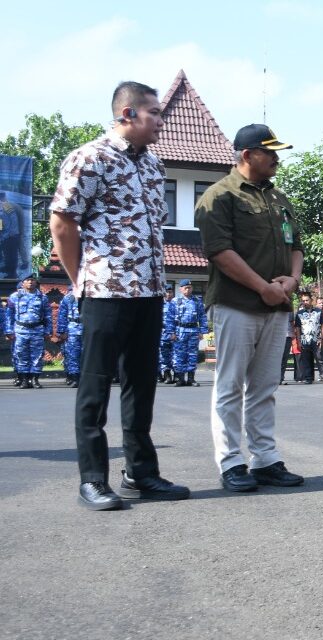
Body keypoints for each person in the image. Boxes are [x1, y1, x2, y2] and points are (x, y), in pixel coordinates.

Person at [48, 80, 189, 508]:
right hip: (105, 291)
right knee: (95, 387)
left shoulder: (152, 166)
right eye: (154, 114)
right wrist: (81, 281)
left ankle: (141, 474)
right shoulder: (89, 158)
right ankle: (92, 479)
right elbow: (62, 223)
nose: (161, 124)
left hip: (148, 292)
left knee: (141, 385)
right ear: (127, 114)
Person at [195, 123, 306, 493]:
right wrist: (263, 288)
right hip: (236, 304)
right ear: (246, 155)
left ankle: (265, 459)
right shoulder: (219, 196)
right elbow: (220, 253)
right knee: (229, 387)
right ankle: (230, 462)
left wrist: (291, 281)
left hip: (276, 306)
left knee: (264, 387)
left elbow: (296, 247)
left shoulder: (279, 199)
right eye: (269, 152)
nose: (276, 158)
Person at [5, 274, 51, 389]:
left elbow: (48, 316)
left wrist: (48, 331)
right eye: (27, 280)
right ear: (22, 283)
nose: (30, 282)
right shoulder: (15, 296)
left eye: (32, 280)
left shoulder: (42, 297)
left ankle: (35, 379)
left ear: (36, 282)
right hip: (20, 331)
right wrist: (9, 331)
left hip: (37, 330)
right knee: (21, 355)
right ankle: (24, 379)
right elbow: (9, 315)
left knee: (37, 356)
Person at [171, 279, 206, 387]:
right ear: (180, 289)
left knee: (192, 355)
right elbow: (170, 318)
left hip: (193, 331)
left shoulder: (197, 301)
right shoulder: (175, 301)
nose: (188, 289)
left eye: (190, 287)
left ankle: (191, 379)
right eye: (185, 287)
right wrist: (172, 332)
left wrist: (202, 331)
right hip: (180, 330)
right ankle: (180, 379)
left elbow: (202, 317)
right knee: (179, 355)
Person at [54, 289, 83, 387]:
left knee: (89, 355)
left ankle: (87, 379)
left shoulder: (92, 296)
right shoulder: (68, 298)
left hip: (88, 328)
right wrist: (62, 331)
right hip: (73, 329)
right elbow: (62, 315)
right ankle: (74, 377)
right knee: (72, 355)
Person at [293, 292, 323, 384]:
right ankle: (308, 378)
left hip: (316, 339)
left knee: (320, 358)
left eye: (307, 300)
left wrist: (321, 337)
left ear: (311, 300)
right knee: (306, 359)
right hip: (304, 339)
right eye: (303, 301)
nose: (305, 302)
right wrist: (298, 341)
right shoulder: (299, 313)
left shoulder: (318, 311)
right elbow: (297, 327)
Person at [158, 285, 176, 384]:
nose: (169, 294)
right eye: (167, 292)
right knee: (164, 355)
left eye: (170, 292)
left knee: (175, 355)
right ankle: (167, 375)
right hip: (163, 334)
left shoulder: (176, 304)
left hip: (175, 334)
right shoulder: (159, 305)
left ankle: (177, 375)